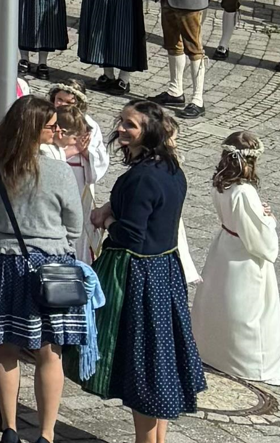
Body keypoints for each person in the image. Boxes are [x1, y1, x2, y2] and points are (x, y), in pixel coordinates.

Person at [87, 101, 206, 440]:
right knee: (160, 365)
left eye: (131, 125)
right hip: (166, 269)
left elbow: (131, 235)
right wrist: (113, 205)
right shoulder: (171, 168)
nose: (121, 129)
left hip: (140, 276)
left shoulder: (142, 178)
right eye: (122, 122)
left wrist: (107, 220)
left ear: (148, 132)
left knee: (144, 370)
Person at [0, 95, 83, 443]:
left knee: (3, 347)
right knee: (50, 351)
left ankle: (9, 429)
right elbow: (75, 225)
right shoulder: (59, 171)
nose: (57, 131)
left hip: (2, 262)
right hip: (49, 265)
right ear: (34, 130)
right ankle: (46, 434)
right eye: (51, 126)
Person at [191, 131, 280, 386]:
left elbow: (241, 216)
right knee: (249, 310)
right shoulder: (244, 191)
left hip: (224, 246)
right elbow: (259, 237)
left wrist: (256, 213)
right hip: (244, 254)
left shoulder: (221, 183)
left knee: (221, 300)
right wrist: (269, 219)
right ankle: (251, 364)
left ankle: (214, 351)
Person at [47, 84, 111, 264]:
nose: (62, 104)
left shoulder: (89, 124)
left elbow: (100, 158)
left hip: (79, 179)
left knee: (78, 225)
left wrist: (85, 152)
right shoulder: (48, 120)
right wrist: (74, 149)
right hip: (53, 179)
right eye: (59, 99)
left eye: (69, 102)